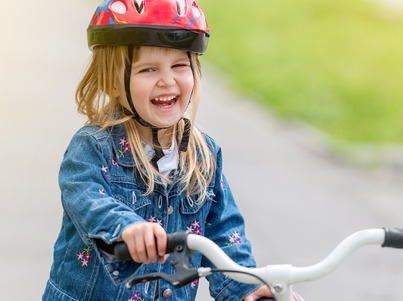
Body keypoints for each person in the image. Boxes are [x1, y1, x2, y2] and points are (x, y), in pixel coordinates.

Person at [42, 0, 282, 300]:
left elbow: (224, 233)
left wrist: (247, 286)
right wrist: (127, 228)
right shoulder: (93, 147)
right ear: (113, 82)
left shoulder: (203, 154)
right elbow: (88, 200)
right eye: (148, 69)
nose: (167, 80)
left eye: (180, 66)